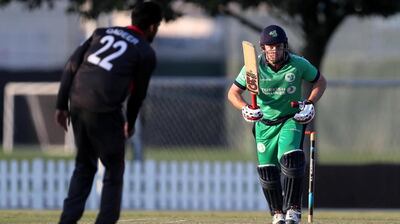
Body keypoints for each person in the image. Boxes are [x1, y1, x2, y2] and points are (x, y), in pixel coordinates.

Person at [54, 2, 163, 224]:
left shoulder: (100, 33)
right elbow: (137, 96)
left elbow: (72, 65)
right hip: (104, 109)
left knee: (84, 165)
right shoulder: (145, 51)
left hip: (77, 102)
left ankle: (67, 220)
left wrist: (61, 105)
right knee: (113, 168)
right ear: (152, 27)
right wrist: (130, 123)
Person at [227, 25, 326, 224]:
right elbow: (233, 93)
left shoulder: (298, 64)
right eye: (269, 47)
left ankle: (293, 210)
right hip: (264, 123)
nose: (274, 50)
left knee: (290, 158)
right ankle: (277, 213)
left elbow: (320, 82)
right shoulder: (252, 68)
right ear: (263, 48)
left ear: (284, 46)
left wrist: (309, 103)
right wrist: (246, 108)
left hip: (291, 118)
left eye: (278, 46)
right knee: (267, 169)